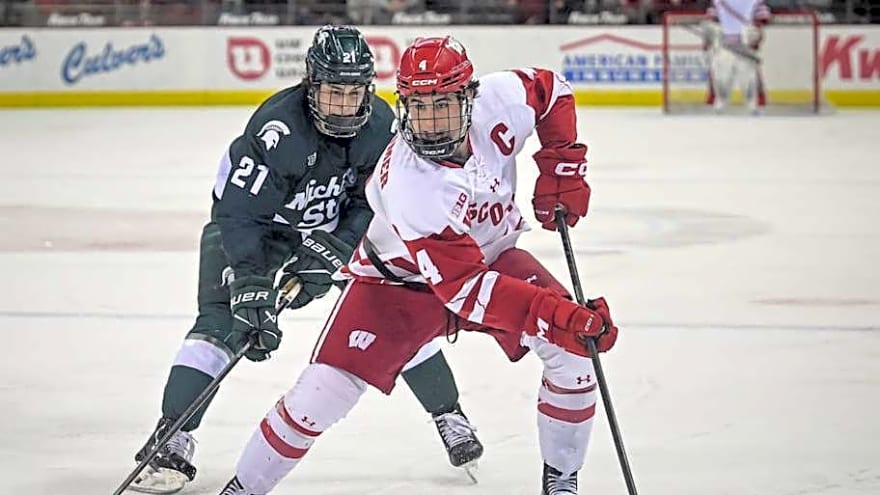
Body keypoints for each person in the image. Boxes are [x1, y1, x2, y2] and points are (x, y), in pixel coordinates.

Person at [216, 36, 620, 495]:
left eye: (442, 105)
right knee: (319, 396)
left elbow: (552, 91)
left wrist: (562, 166)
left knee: (573, 352)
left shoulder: (500, 99)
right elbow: (467, 292)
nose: (428, 124)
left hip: (493, 258)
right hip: (397, 285)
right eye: (418, 107)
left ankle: (562, 480)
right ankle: (244, 488)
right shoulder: (412, 185)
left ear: (470, 97)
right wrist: (556, 312)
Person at [129, 26, 482, 494]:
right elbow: (237, 214)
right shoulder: (279, 129)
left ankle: (449, 413)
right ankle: (173, 435)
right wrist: (250, 281)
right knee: (220, 324)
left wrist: (334, 248)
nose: (343, 104)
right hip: (259, 232)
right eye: (333, 91)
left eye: (353, 91)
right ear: (311, 85)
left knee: (394, 316)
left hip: (335, 230)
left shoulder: (380, 126)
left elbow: (372, 200)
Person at [703, 0, 771, 113]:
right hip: (725, 45)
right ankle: (720, 103)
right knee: (722, 77)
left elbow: (764, 18)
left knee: (748, 78)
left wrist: (755, 33)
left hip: (744, 46)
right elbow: (711, 19)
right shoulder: (718, 2)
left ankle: (752, 105)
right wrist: (711, 36)